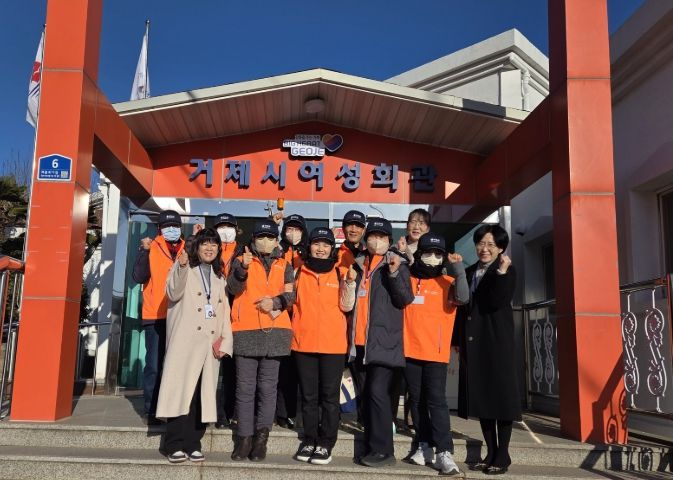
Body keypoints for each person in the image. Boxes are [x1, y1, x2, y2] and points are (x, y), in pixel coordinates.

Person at [156, 228, 233, 464]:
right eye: (205, 244)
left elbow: (224, 312)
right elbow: (173, 292)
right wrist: (180, 266)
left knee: (202, 395)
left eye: (214, 244)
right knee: (181, 393)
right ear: (196, 248)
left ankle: (193, 443)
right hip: (185, 343)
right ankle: (173, 444)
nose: (209, 248)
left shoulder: (219, 277)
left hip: (209, 344)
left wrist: (225, 340)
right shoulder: (184, 268)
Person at [348, 218, 414, 467]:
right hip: (360, 343)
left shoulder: (395, 264)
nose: (377, 241)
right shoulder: (359, 265)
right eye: (373, 236)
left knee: (377, 393)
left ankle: (384, 450)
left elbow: (405, 298)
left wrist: (394, 273)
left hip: (384, 342)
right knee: (367, 395)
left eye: (382, 237)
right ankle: (371, 445)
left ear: (389, 240)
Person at [226, 220, 295, 462]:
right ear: (253, 239)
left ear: (276, 240)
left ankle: (261, 439)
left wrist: (275, 302)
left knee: (268, 388)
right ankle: (244, 438)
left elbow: (290, 295)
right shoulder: (241, 260)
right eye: (261, 237)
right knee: (245, 389)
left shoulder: (285, 264)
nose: (266, 242)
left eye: (270, 238)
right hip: (245, 330)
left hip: (275, 332)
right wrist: (242, 269)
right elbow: (233, 289)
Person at [402, 232, 469, 476]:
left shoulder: (448, 281)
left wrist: (458, 269)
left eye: (438, 254)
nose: (432, 257)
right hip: (410, 349)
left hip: (436, 352)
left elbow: (463, 297)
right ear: (419, 253)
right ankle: (424, 444)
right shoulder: (408, 278)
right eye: (428, 252)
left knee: (437, 401)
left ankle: (444, 451)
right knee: (416, 401)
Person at [456, 224, 520, 475]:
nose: (485, 249)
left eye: (491, 245)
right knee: (482, 398)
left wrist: (501, 273)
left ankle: (503, 454)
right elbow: (462, 308)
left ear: (500, 248)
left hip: (497, 342)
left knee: (501, 398)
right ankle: (490, 451)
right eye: (481, 243)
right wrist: (458, 340)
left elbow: (497, 301)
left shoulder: (507, 271)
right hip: (474, 342)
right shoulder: (470, 271)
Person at [292, 227, 356, 465]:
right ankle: (310, 439)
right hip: (304, 343)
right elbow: (290, 302)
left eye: (326, 245)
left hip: (333, 345)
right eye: (316, 244)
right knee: (308, 397)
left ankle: (326, 442)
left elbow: (347, 306)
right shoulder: (298, 272)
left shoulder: (341, 272)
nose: (321, 249)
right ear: (309, 246)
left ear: (332, 249)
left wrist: (350, 284)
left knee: (329, 397)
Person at [132, 209, 185, 424]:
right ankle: (151, 409)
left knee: (176, 366)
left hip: (180, 316)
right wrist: (144, 252)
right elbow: (138, 276)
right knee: (154, 365)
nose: (171, 229)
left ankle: (174, 409)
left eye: (175, 226)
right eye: (167, 226)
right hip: (155, 315)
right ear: (160, 229)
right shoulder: (150, 247)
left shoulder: (188, 249)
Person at [275, 213, 307, 428]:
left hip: (303, 316)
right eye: (289, 229)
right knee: (282, 369)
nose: (293, 233)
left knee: (301, 369)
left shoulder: (309, 252)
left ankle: (299, 412)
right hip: (280, 314)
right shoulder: (278, 251)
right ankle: (282, 412)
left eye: (297, 229)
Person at [213, 212, 241, 429]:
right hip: (212, 315)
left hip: (236, 316)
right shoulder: (209, 251)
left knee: (232, 369)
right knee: (211, 367)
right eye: (221, 227)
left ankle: (228, 412)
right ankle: (208, 411)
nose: (225, 231)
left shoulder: (243, 252)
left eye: (228, 226)